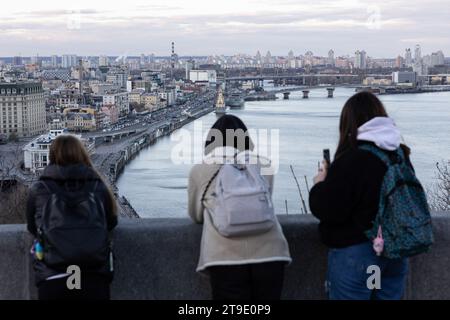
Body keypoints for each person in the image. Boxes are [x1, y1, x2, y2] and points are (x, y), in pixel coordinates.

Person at [309, 91, 419, 300]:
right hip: (394, 253)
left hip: (358, 254)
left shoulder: (352, 159)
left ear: (348, 123)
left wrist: (320, 184)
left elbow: (329, 209)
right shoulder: (399, 155)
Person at [188, 114, 291, 300]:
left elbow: (196, 215)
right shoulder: (263, 164)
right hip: (271, 254)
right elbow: (263, 206)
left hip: (225, 257)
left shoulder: (200, 170)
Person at [26, 134, 118, 300]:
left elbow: (33, 228)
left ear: (52, 155)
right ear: (82, 154)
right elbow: (111, 223)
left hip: (52, 276)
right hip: (94, 275)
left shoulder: (39, 188)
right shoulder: (98, 185)